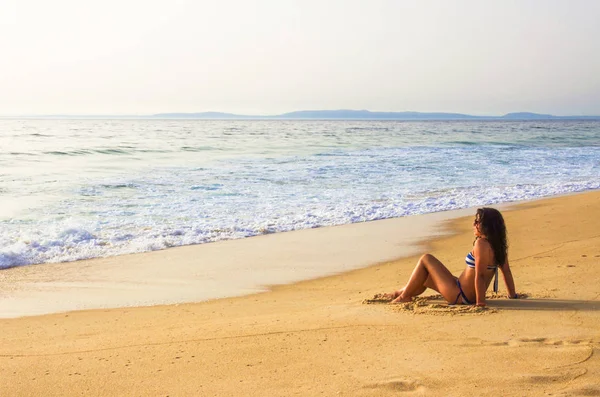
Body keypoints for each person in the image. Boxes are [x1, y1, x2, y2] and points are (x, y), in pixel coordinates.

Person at [386, 207, 518, 307]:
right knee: (425, 276)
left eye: (477, 221)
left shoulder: (481, 244)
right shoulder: (498, 245)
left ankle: (404, 296)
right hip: (461, 290)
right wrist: (512, 295)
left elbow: (480, 275)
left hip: (460, 295)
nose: (474, 224)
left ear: (487, 226)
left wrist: (480, 303)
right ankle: (399, 293)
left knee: (426, 258)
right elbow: (506, 271)